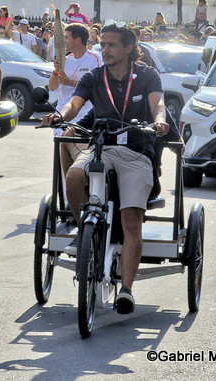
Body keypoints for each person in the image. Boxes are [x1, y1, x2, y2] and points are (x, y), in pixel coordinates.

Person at [41, 23, 169, 314]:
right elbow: (74, 104)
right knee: (75, 175)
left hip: (136, 152)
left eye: (111, 45)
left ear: (127, 48)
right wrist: (59, 115)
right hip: (102, 147)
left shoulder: (147, 75)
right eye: (104, 45)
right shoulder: (96, 77)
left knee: (131, 220)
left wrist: (159, 120)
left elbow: (158, 105)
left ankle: (126, 290)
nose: (105, 50)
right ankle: (84, 230)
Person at [48, 23, 103, 176]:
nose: (64, 41)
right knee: (62, 164)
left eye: (67, 37)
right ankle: (65, 198)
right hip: (63, 116)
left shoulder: (94, 58)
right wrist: (56, 71)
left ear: (77, 40)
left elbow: (97, 85)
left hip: (84, 118)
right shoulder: (65, 60)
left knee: (81, 164)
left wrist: (71, 82)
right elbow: (53, 87)